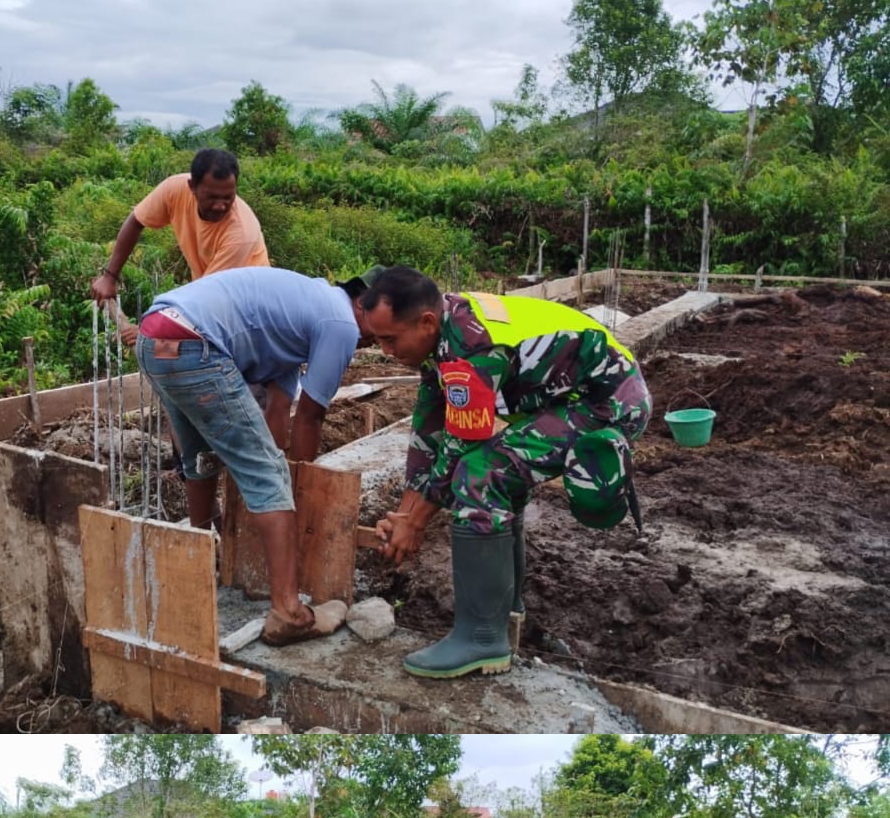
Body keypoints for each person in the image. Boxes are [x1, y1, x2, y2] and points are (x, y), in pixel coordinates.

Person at [360, 265, 652, 680]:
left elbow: (461, 446)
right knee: (494, 473)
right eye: (377, 340)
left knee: (481, 474)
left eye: (390, 339)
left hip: (607, 401)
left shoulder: (470, 348)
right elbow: (427, 435)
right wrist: (405, 514)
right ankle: (507, 612)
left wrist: (416, 525)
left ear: (426, 322)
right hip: (566, 396)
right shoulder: (442, 335)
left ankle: (482, 638)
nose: (385, 351)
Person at [134, 266, 379, 645]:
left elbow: (280, 415)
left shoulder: (294, 327)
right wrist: (287, 485)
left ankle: (197, 564)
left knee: (200, 457)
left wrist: (288, 477)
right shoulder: (341, 322)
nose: (379, 342)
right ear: (362, 303)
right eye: (384, 327)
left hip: (156, 336)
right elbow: (311, 416)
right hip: (197, 344)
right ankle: (289, 611)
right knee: (269, 473)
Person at [90, 147, 269, 312]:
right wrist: (110, 277)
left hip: (249, 307)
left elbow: (207, 298)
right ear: (192, 187)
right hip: (211, 296)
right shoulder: (174, 190)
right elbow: (136, 221)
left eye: (228, 197)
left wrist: (152, 331)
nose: (220, 206)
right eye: (212, 197)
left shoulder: (242, 233)